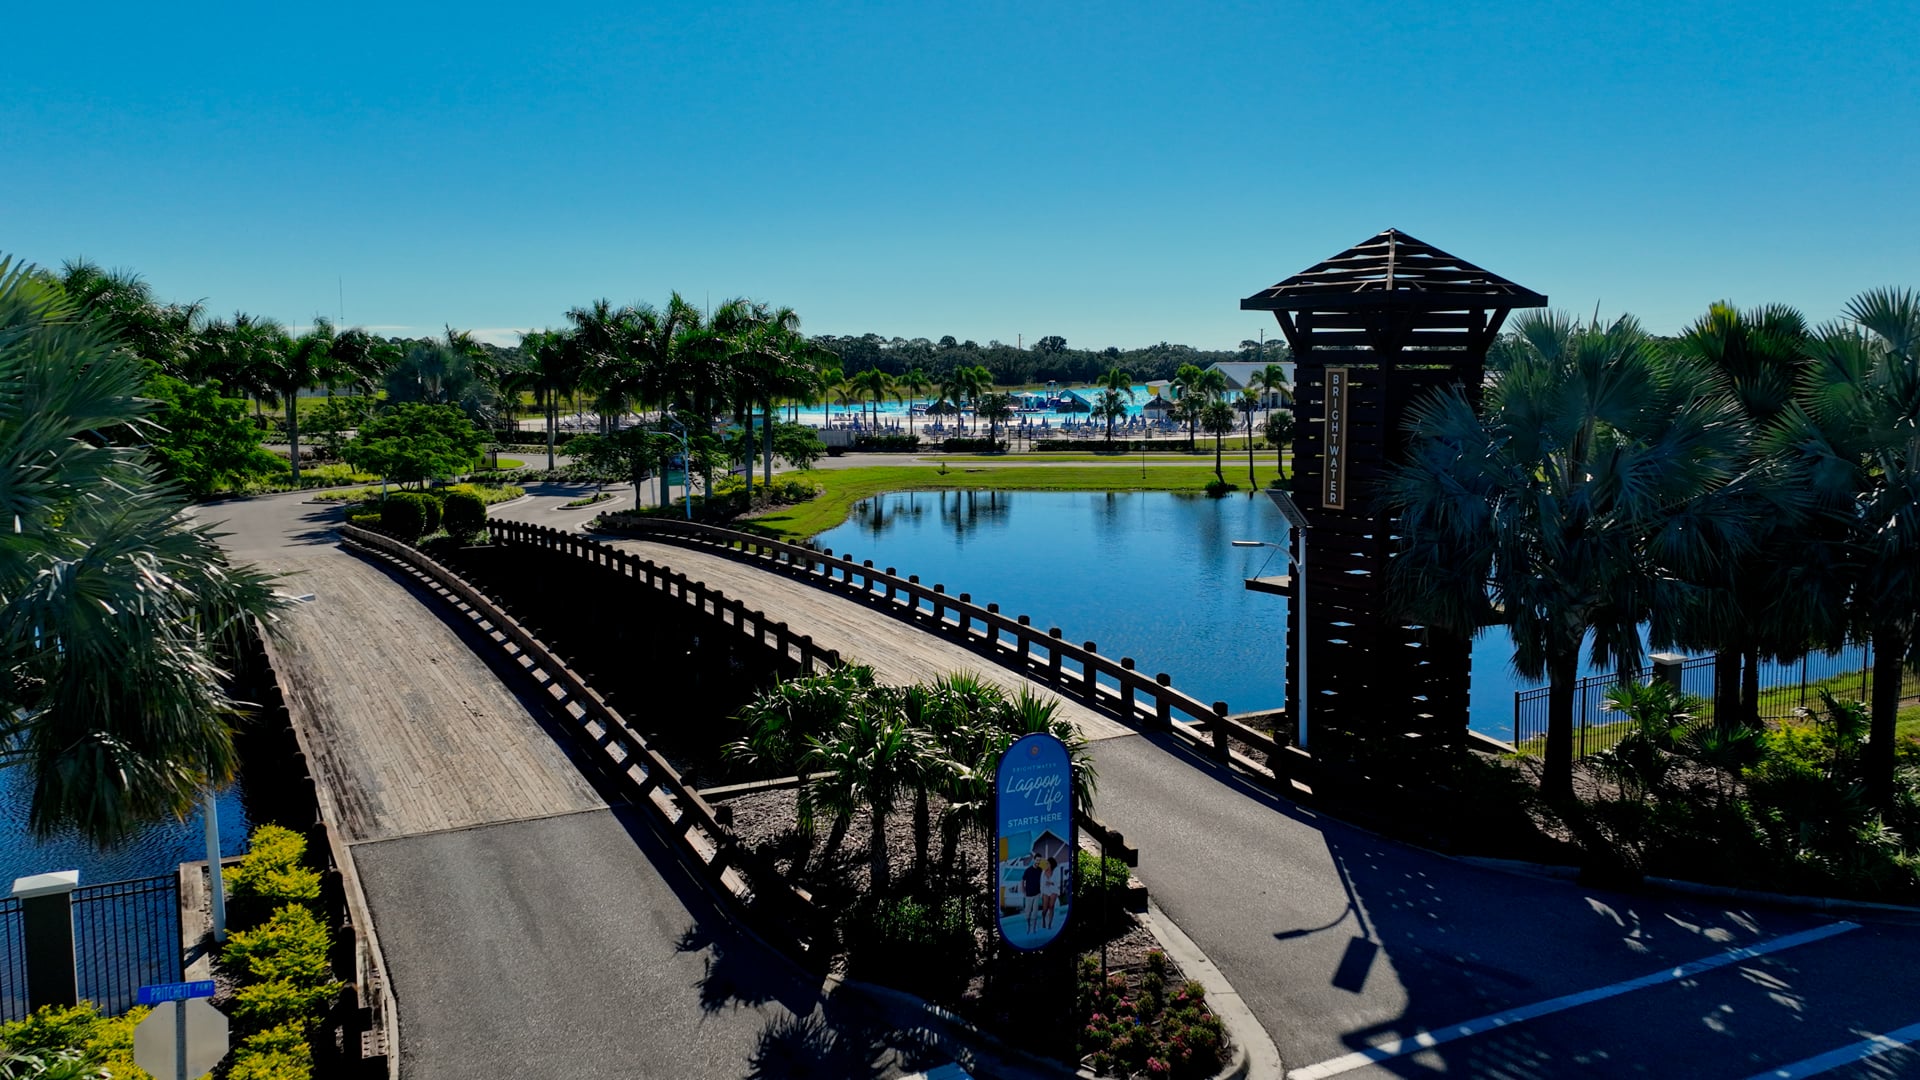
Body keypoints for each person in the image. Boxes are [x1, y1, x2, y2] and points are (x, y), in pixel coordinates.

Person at [1021, 857, 1044, 933]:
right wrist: (1023, 891)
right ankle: (1028, 927)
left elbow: (1042, 880)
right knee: (1028, 913)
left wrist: (1042, 891)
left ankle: (1033, 929)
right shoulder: (1028, 870)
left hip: (1037, 894)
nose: (1038, 862)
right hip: (1029, 894)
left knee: (1035, 912)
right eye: (1037, 860)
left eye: (1039, 861)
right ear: (1034, 860)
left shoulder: (1040, 870)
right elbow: (1023, 880)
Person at [1040, 855, 1062, 929]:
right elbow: (1042, 882)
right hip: (1045, 890)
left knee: (1051, 906)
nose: (1047, 865)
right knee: (1045, 908)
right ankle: (1043, 919)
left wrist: (1051, 883)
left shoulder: (1056, 870)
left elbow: (1057, 882)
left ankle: (1049, 924)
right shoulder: (1043, 872)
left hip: (1054, 889)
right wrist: (1042, 892)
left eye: (1048, 863)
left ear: (1051, 864)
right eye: (1046, 863)